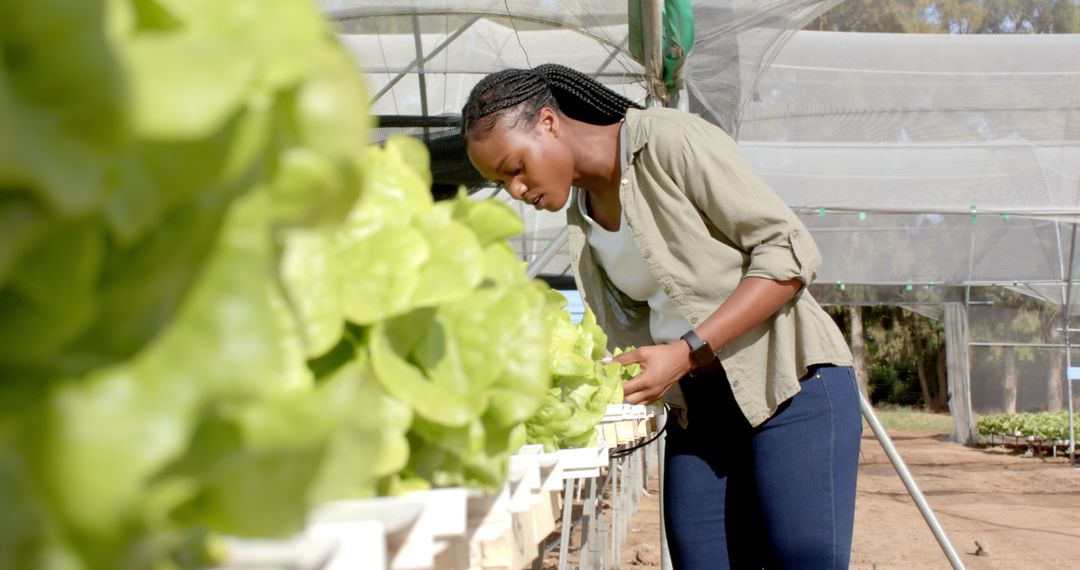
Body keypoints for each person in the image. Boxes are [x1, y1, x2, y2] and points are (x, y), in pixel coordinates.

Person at [461, 63, 861, 569]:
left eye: (516, 168)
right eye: (502, 182)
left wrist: (687, 350)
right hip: (699, 407)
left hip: (787, 384)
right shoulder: (581, 213)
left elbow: (788, 252)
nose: (516, 190)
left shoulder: (669, 142)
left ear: (547, 122)